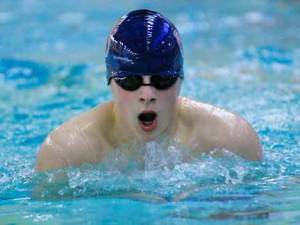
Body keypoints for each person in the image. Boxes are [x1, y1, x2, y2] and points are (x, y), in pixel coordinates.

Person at [35, 9, 262, 172]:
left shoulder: (231, 140)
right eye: (131, 81)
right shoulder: (65, 153)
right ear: (111, 81)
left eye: (162, 80)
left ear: (180, 80)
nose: (147, 94)